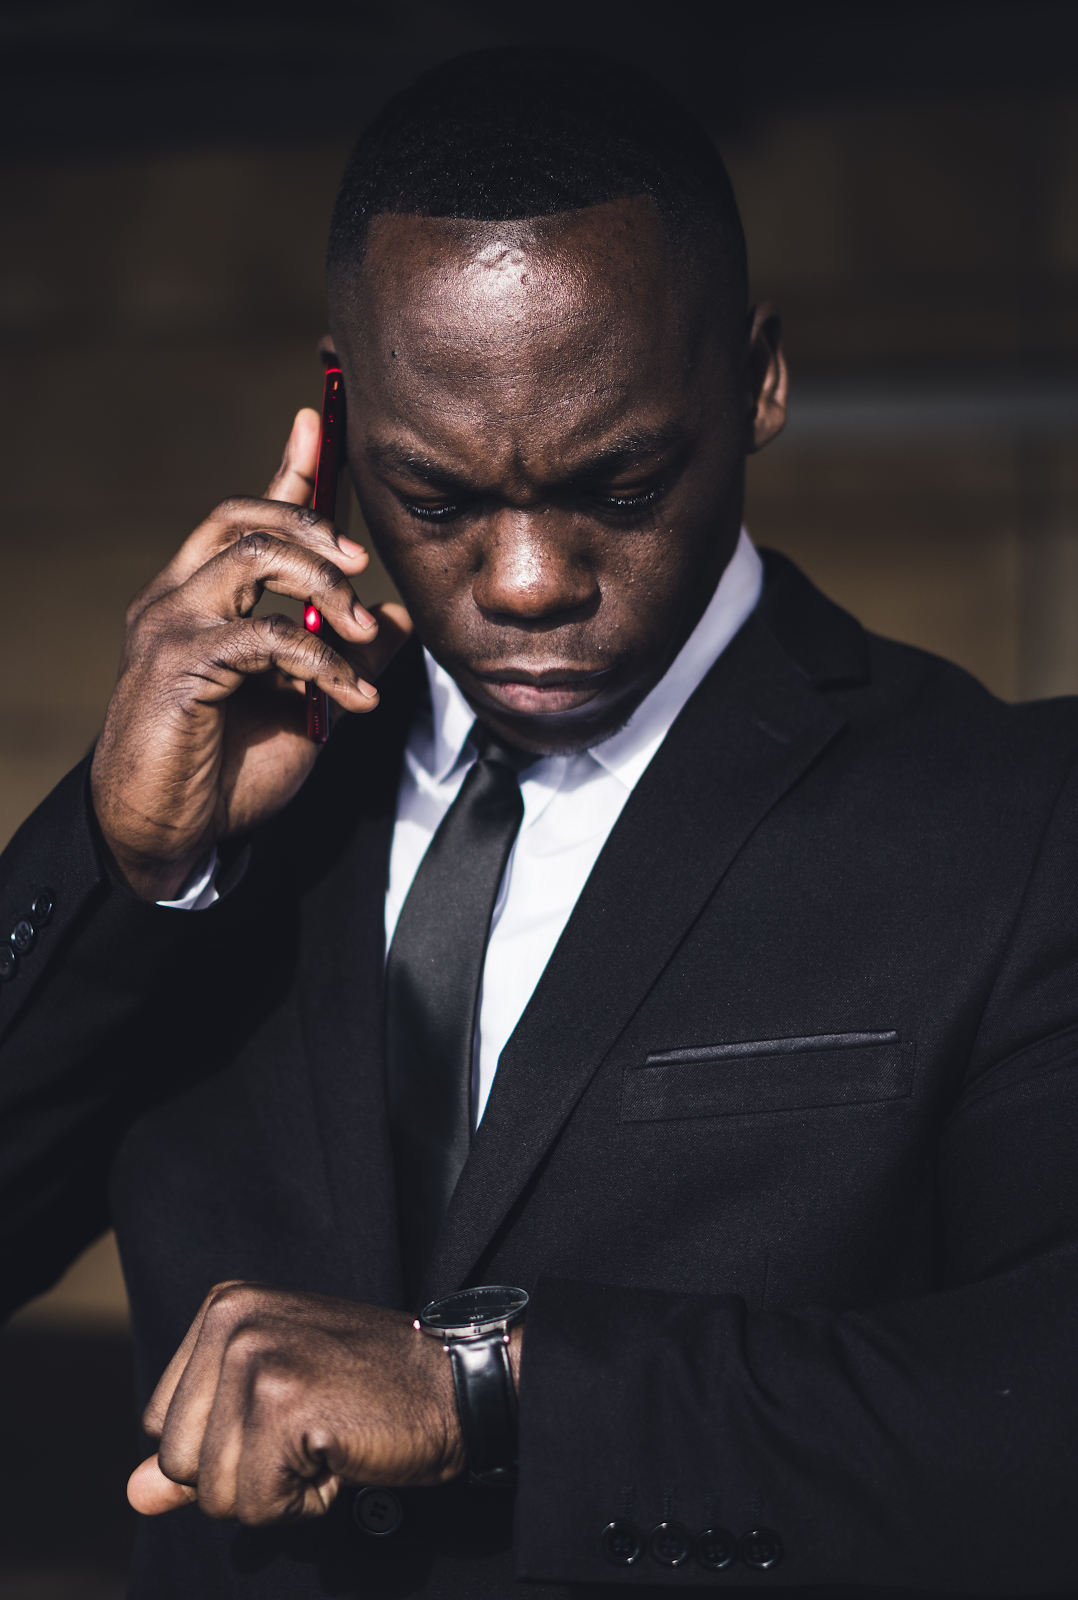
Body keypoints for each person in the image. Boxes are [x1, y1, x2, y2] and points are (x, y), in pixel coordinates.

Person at [2, 45, 1077, 1600]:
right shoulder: (226, 820)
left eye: (622, 485)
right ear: (336, 411)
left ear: (756, 380)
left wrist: (492, 1391)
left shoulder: (1013, 820)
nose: (524, 584)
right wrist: (126, 868)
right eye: (432, 500)